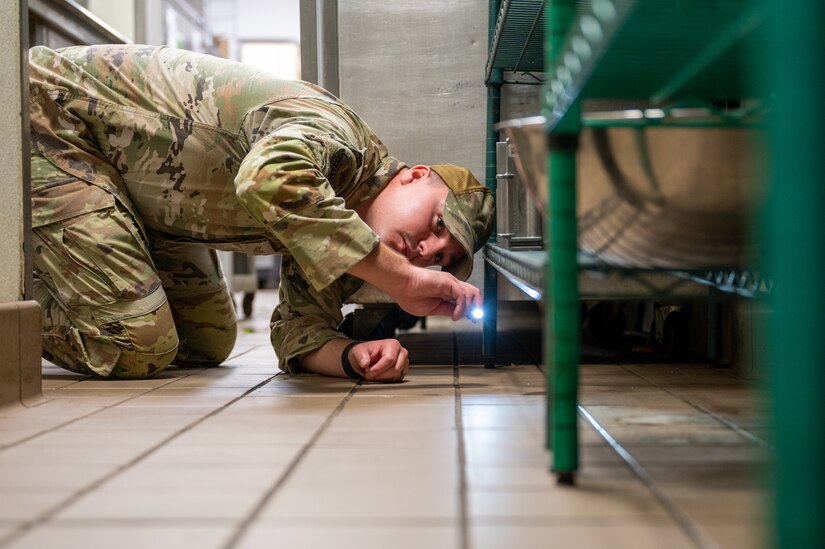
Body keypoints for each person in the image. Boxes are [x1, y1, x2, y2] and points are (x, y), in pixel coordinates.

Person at [28, 44, 494, 383]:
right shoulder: (341, 136)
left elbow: (298, 331)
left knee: (206, 342)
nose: (427, 251)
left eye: (439, 260)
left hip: (132, 194)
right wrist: (404, 280)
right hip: (53, 114)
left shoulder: (348, 230)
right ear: (414, 176)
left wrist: (355, 356)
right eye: (437, 224)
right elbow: (269, 177)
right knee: (138, 343)